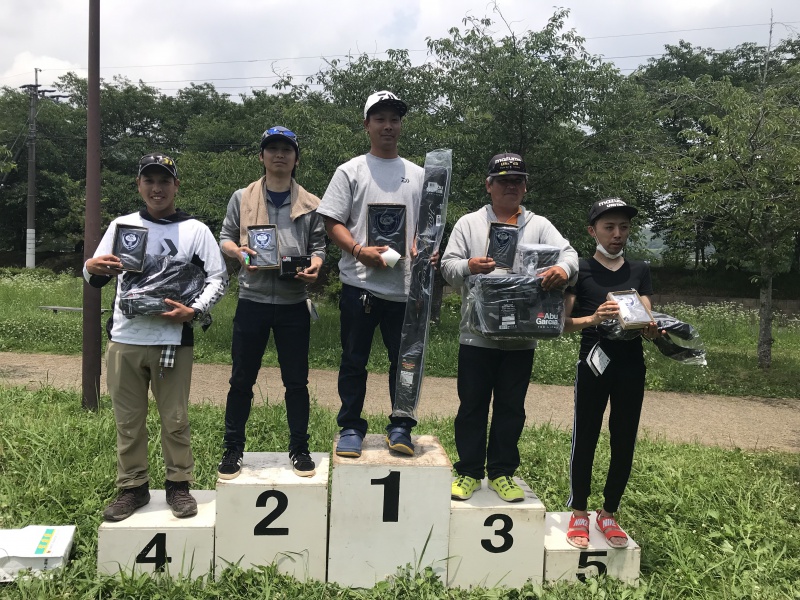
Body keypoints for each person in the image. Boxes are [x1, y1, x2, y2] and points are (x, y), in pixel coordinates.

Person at [84, 154, 228, 521]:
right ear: (139, 186)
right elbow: (97, 277)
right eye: (149, 180)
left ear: (176, 186)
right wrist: (89, 267)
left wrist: (193, 312)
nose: (157, 188)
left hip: (172, 340)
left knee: (175, 419)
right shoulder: (121, 225)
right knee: (127, 422)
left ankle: (179, 485)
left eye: (164, 180)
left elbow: (219, 278)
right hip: (125, 339)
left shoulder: (195, 230)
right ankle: (133, 489)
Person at [440, 153, 579, 502]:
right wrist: (469, 265)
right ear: (489, 186)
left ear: (526, 186)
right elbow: (447, 266)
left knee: (511, 407)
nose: (511, 186)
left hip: (521, 338)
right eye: (503, 180)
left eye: (518, 180)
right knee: (471, 405)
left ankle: (502, 472)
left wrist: (563, 270)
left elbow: (571, 256)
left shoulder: (540, 224)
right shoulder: (469, 224)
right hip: (476, 335)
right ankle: (469, 471)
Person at [316, 90, 426, 458]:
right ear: (366, 125)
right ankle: (350, 425)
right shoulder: (351, 170)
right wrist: (359, 250)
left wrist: (426, 250)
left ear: (401, 125)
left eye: (394, 119)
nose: (388, 126)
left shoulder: (420, 174)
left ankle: (401, 426)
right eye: (379, 119)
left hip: (405, 289)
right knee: (353, 360)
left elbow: (430, 228)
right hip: (359, 285)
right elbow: (331, 220)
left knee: (405, 363)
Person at [216, 126, 326, 480]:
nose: (280, 154)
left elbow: (320, 247)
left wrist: (315, 267)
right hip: (253, 299)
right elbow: (226, 238)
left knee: (297, 382)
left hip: (294, 303)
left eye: (287, 149)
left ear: (295, 158)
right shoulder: (241, 197)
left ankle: (299, 447)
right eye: (272, 148)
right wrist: (239, 253)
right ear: (261, 157)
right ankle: (233, 448)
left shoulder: (312, 204)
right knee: (241, 380)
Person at [562, 198, 663, 548]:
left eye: (623, 227)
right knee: (586, 435)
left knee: (624, 439)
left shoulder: (640, 269)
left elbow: (647, 318)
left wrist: (653, 329)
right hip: (593, 362)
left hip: (631, 365)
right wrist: (594, 319)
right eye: (609, 227)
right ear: (593, 231)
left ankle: (609, 512)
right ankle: (578, 512)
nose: (617, 234)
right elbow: (562, 324)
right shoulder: (579, 269)